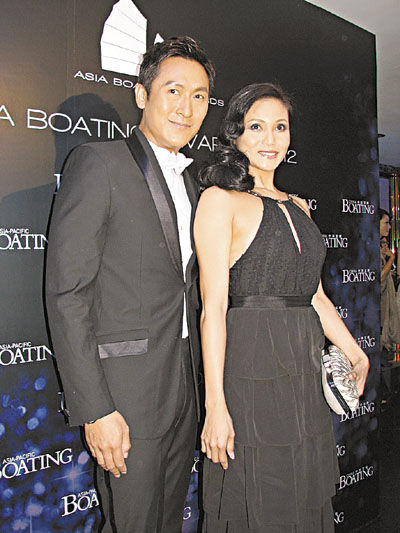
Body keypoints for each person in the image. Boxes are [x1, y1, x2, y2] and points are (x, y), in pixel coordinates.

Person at [46, 36, 215, 532]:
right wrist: (96, 409)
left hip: (184, 389)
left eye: (200, 96)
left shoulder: (195, 182)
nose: (187, 108)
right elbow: (68, 294)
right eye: (173, 91)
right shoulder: (98, 163)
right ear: (142, 95)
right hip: (126, 397)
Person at [194, 83, 369, 532]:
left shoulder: (301, 207)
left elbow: (315, 296)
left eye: (280, 127)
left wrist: (356, 352)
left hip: (302, 371)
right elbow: (213, 308)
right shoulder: (220, 201)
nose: (270, 139)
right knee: (256, 495)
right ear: (235, 134)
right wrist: (216, 406)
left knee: (302, 491)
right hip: (250, 371)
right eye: (256, 127)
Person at [379, 209, 400, 358]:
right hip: (379, 303)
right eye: (386, 223)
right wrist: (391, 259)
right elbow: (379, 278)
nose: (389, 227)